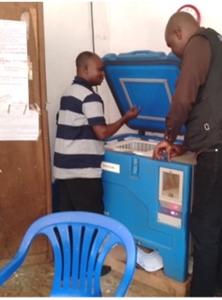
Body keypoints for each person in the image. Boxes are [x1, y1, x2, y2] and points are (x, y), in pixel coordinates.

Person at [153, 12, 222, 296]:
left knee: (204, 226)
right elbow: (212, 106)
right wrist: (186, 145)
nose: (173, 54)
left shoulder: (198, 42)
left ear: (178, 32)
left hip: (221, 148)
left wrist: (168, 137)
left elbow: (184, 96)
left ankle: (202, 293)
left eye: (171, 47)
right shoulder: (218, 43)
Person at [53, 51, 139, 276]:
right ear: (84, 69)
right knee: (90, 220)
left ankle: (68, 266)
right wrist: (125, 119)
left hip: (63, 169)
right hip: (82, 171)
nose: (102, 74)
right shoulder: (90, 97)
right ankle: (90, 268)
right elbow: (101, 133)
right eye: (99, 70)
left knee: (69, 221)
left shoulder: (68, 93)